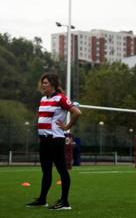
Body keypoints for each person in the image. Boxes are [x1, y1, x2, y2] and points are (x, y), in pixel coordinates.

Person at [26, 73, 81, 210]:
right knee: (46, 171)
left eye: (45, 83)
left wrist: (67, 127)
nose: (42, 85)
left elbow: (77, 112)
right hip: (44, 141)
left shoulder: (60, 98)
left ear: (53, 84)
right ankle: (42, 200)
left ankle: (65, 202)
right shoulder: (43, 99)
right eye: (42, 83)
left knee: (62, 170)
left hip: (55, 140)